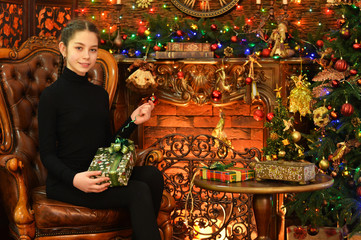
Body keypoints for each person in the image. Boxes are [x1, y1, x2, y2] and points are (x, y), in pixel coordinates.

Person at [38, 19, 164, 240]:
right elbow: (47, 154)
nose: (87, 56)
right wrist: (76, 179)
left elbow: (108, 145)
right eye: (79, 48)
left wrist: (132, 121)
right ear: (63, 49)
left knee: (152, 176)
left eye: (93, 49)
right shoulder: (51, 96)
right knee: (138, 191)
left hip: (98, 172)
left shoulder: (99, 94)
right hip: (68, 182)